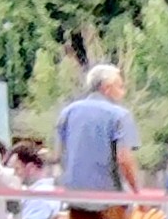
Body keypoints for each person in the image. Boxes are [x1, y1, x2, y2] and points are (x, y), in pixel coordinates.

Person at [54, 62, 145, 203]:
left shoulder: (68, 112)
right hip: (108, 199)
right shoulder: (120, 115)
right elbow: (124, 159)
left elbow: (59, 154)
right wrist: (138, 194)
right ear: (107, 88)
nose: (123, 92)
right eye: (120, 87)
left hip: (74, 197)